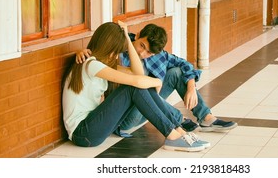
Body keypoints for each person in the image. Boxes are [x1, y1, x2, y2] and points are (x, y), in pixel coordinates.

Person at [62, 21, 209, 152]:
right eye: (115, 51)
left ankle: (178, 131)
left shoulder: (99, 64)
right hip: (83, 133)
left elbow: (136, 73)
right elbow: (137, 81)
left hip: (93, 129)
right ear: (107, 47)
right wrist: (157, 82)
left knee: (139, 85)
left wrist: (127, 36)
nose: (115, 56)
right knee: (132, 87)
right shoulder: (91, 65)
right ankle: (172, 134)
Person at [76, 23, 237, 134]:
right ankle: (177, 119)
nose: (142, 54)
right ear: (137, 35)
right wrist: (82, 52)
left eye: (149, 53)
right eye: (142, 46)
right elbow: (97, 54)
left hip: (149, 106)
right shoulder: (120, 48)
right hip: (124, 116)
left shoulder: (160, 56)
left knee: (176, 72)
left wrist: (191, 88)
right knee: (139, 88)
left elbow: (186, 65)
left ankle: (206, 118)